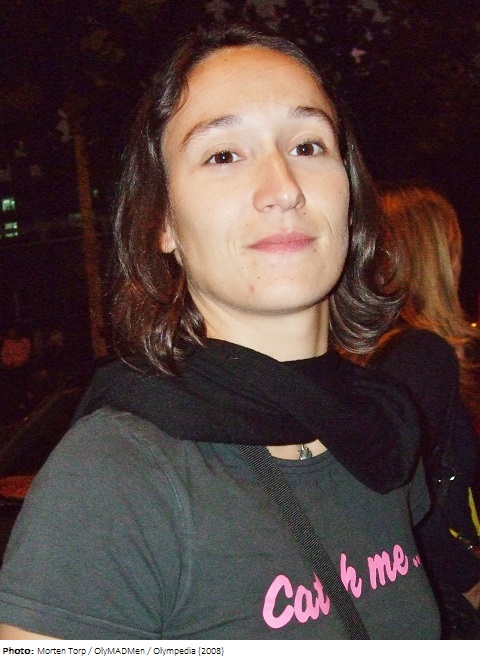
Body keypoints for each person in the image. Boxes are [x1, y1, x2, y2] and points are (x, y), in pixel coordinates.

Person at [0, 26, 440, 640]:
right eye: (223, 155)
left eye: (308, 145)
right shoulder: (117, 478)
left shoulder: (381, 432)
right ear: (163, 222)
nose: (284, 188)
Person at [365, 182, 480, 638]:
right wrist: (467, 580)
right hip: (440, 589)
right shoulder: (422, 355)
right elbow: (405, 493)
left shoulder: (383, 347)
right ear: (438, 256)